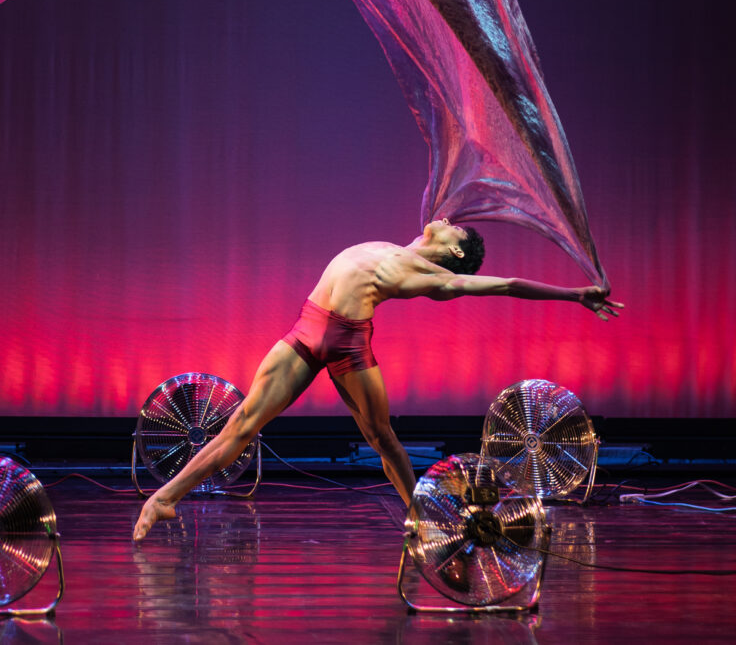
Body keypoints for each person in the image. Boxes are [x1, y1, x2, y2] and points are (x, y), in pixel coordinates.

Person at [133, 219, 621, 540]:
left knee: (381, 436)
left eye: (454, 227)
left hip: (348, 344)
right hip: (306, 329)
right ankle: (163, 499)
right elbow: (444, 210)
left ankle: (420, 518)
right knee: (240, 425)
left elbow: (508, 286)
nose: (446, 219)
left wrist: (574, 294)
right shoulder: (408, 244)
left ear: (452, 248)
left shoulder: (434, 276)